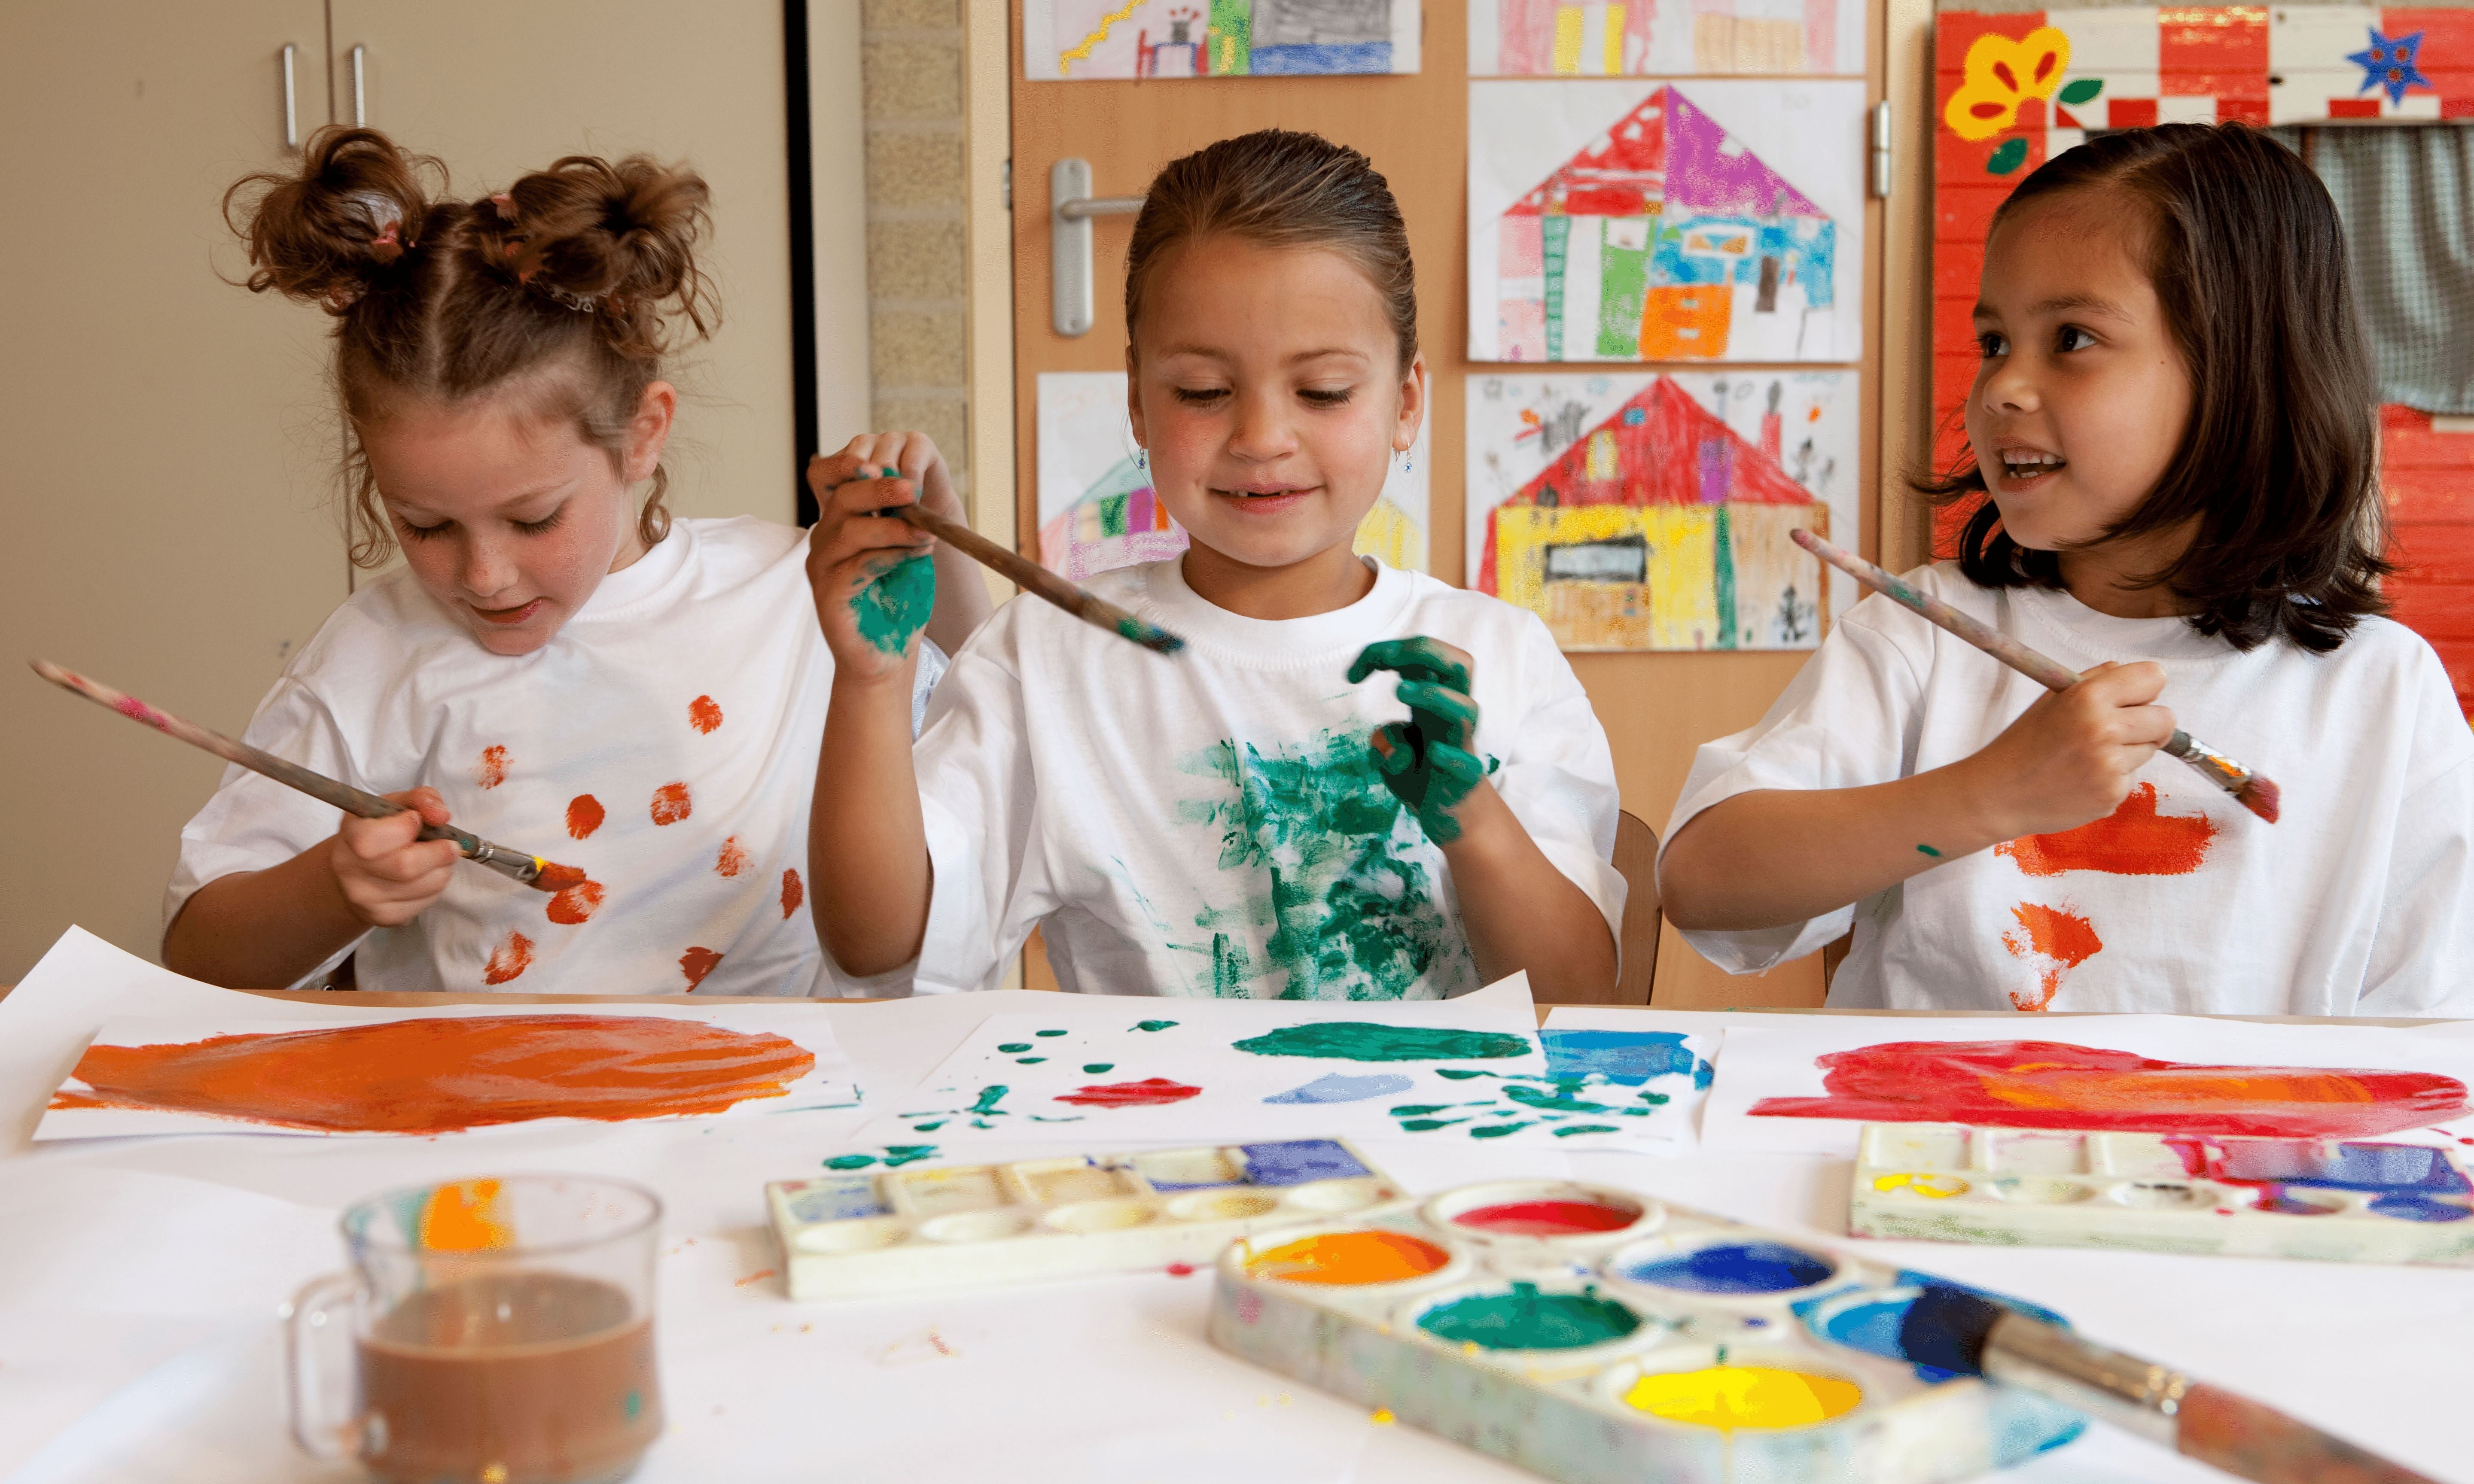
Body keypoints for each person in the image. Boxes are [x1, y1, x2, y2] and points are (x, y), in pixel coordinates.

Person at [1658, 124, 2474, 1015]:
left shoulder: (2380, 691)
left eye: (2073, 338)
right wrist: (1991, 794)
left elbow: (2432, 1039)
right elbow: (1704, 883)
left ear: (2242, 369)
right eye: (1996, 342)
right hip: (1943, 1144)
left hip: (2236, 1151)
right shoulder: (1924, 634)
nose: (2002, 388)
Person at [163, 127, 987, 994]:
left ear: (642, 435)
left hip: (775, 1105)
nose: (484, 576)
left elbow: (982, 717)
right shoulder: (377, 654)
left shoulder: (787, 590)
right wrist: (335, 889)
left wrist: (942, 523)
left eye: (534, 518)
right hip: (486, 1118)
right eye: (427, 526)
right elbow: (197, 957)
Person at [806, 130, 1624, 999]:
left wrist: (1475, 822)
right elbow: (878, 951)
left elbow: (1577, 999)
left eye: (1322, 392)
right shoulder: (1047, 658)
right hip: (1158, 1131)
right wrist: (869, 684)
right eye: (1203, 392)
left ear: (1405, 402)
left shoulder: (1495, 657)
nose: (1262, 439)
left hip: (1436, 1128)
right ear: (1137, 401)